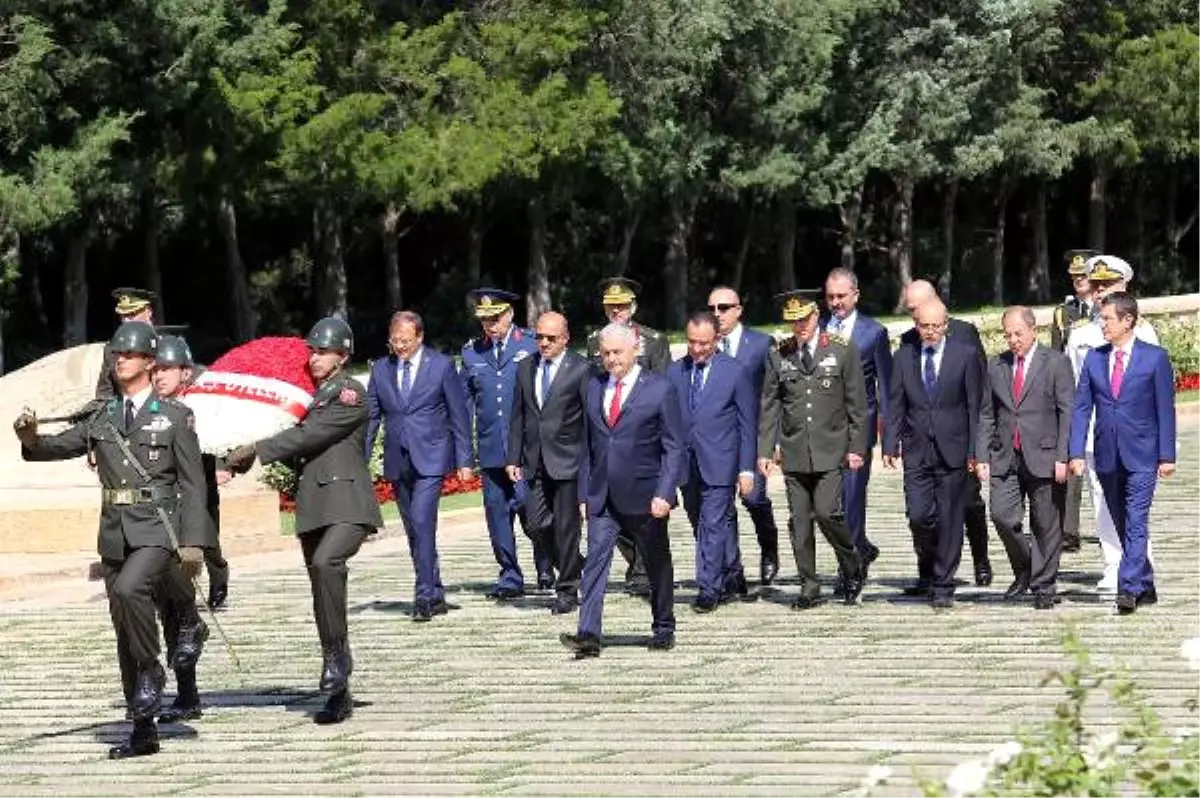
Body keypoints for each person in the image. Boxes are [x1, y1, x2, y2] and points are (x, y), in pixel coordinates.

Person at [15, 321, 209, 759]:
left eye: (129, 354)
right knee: (123, 627)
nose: (120, 360)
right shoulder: (101, 416)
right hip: (115, 532)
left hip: (159, 528)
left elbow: (194, 485)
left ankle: (153, 674)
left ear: (148, 362)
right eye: (116, 355)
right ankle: (143, 729)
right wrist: (29, 437)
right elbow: (52, 447)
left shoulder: (174, 416)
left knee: (129, 589)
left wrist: (195, 541)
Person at [226, 317, 382, 724]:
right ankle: (338, 689)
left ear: (343, 356)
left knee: (327, 563)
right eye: (312, 351)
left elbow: (308, 437)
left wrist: (255, 450)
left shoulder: (348, 393)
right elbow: (297, 434)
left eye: (323, 351)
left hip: (347, 504)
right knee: (322, 593)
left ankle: (337, 660)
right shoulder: (310, 398)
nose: (314, 358)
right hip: (315, 506)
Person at [560, 324, 684, 658]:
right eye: (606, 353)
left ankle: (663, 626)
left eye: (618, 352)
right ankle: (588, 634)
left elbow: (674, 447)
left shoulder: (659, 389)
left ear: (635, 350)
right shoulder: (593, 387)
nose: (611, 359)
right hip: (602, 494)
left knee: (656, 562)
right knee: (596, 562)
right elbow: (587, 445)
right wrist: (584, 494)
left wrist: (665, 492)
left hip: (646, 494)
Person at [1068, 292, 1176, 614]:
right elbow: (1081, 408)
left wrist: (1167, 455)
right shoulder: (1095, 358)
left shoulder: (1154, 358)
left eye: (1108, 319)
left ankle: (1127, 589)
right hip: (1106, 455)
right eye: (1102, 319)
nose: (1103, 325)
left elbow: (1165, 409)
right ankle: (1145, 582)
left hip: (1143, 454)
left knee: (1136, 522)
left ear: (1128, 320)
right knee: (1120, 519)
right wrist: (1075, 452)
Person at [759, 291, 867, 609]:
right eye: (793, 322)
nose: (799, 327)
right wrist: (765, 450)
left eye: (803, 320)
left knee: (826, 512)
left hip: (831, 449)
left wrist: (857, 446)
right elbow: (769, 405)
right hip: (794, 451)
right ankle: (809, 584)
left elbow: (856, 405)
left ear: (816, 315)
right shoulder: (779, 354)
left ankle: (852, 565)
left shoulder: (841, 350)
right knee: (799, 521)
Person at [367, 311, 473, 622]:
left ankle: (424, 594)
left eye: (405, 341)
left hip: (432, 457)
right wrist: (360, 459)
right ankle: (435, 590)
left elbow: (459, 416)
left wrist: (465, 460)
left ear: (420, 338)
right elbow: (373, 416)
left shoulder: (440, 366)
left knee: (422, 521)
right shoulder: (381, 369)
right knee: (414, 529)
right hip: (399, 460)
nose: (399, 346)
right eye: (395, 341)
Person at [149, 334, 230, 723]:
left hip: (192, 513)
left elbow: (233, 435)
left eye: (165, 368)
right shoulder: (147, 408)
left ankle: (206, 601)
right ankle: (187, 693)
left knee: (181, 600)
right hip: (157, 516)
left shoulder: (201, 406)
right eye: (155, 368)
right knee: (169, 607)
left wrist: (234, 459)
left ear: (184, 370)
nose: (158, 375)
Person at [883, 299, 983, 609]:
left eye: (935, 326)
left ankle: (943, 584)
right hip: (916, 449)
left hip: (954, 448)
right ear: (916, 326)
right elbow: (896, 403)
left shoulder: (964, 356)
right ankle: (929, 564)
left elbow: (974, 407)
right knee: (919, 515)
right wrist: (889, 443)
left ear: (945, 325)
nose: (929, 332)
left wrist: (974, 452)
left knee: (951, 518)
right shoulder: (903, 357)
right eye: (924, 326)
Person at [975, 307, 1075, 610]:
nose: (1013, 340)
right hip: (1006, 455)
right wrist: (982, 455)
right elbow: (987, 414)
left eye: (1018, 333)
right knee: (1002, 516)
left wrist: (1064, 455)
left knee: (1046, 523)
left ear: (1034, 330)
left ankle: (1044, 585)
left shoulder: (1056, 363)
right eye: (1007, 334)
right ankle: (1026, 569)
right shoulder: (997, 366)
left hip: (1045, 454)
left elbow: (1067, 412)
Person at [899, 280, 993, 587]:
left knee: (968, 503)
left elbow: (977, 393)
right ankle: (931, 570)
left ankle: (980, 558)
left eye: (918, 310)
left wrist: (977, 447)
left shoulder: (965, 335)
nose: (916, 320)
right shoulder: (908, 342)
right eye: (912, 314)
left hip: (957, 441)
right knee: (924, 513)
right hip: (922, 444)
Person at [461, 288, 553, 599]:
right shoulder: (472, 352)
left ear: (509, 314)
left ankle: (545, 563)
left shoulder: (530, 344)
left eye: (496, 317)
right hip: (490, 450)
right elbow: (465, 405)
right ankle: (510, 574)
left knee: (533, 511)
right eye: (484, 319)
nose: (490, 324)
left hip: (527, 449)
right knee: (497, 513)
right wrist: (464, 455)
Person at [585, 277, 669, 596]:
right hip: (609, 435)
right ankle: (638, 563)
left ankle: (645, 570)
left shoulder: (653, 340)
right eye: (610, 305)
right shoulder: (595, 340)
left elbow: (663, 389)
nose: (616, 310)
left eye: (621, 305)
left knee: (644, 509)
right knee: (610, 507)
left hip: (643, 438)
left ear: (633, 305)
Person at [667, 311, 756, 612]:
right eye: (692, 342)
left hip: (721, 460)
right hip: (686, 463)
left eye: (704, 343)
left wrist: (746, 468)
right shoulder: (674, 371)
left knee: (713, 524)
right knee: (701, 521)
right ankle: (733, 572)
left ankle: (709, 588)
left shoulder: (735, 371)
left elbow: (747, 424)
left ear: (716, 339)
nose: (697, 349)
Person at [506, 311, 591, 615]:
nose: (543, 343)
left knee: (568, 528)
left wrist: (590, 463)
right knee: (535, 522)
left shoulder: (581, 368)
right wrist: (513, 456)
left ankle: (567, 589)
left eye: (550, 338)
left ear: (565, 338)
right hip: (534, 460)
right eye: (539, 336)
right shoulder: (526, 367)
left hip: (569, 460)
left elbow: (589, 420)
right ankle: (576, 564)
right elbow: (518, 414)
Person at [821, 268, 892, 583]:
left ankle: (849, 571)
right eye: (830, 296)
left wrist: (888, 435)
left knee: (851, 499)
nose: (835, 302)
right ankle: (860, 546)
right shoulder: (816, 328)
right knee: (825, 506)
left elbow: (886, 388)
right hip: (821, 431)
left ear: (855, 296)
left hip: (857, 430)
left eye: (841, 296)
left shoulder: (873, 333)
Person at [706, 285, 779, 588]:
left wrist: (774, 441)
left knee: (753, 497)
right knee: (721, 507)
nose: (717, 314)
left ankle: (769, 546)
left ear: (739, 310)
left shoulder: (761, 344)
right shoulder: (704, 345)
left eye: (724, 308)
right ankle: (732, 569)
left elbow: (776, 393)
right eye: (712, 308)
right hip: (719, 439)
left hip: (755, 435)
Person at [1055, 249, 1099, 552]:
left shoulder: (1103, 308)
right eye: (1074, 277)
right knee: (1073, 459)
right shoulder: (1064, 313)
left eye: (1082, 276)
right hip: (1073, 394)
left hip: (1102, 393)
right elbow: (1057, 356)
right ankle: (1068, 530)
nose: (1077, 281)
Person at [96, 288, 157, 400]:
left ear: (148, 312)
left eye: (132, 314)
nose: (126, 321)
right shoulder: (112, 349)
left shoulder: (165, 344)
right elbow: (105, 391)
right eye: (123, 316)